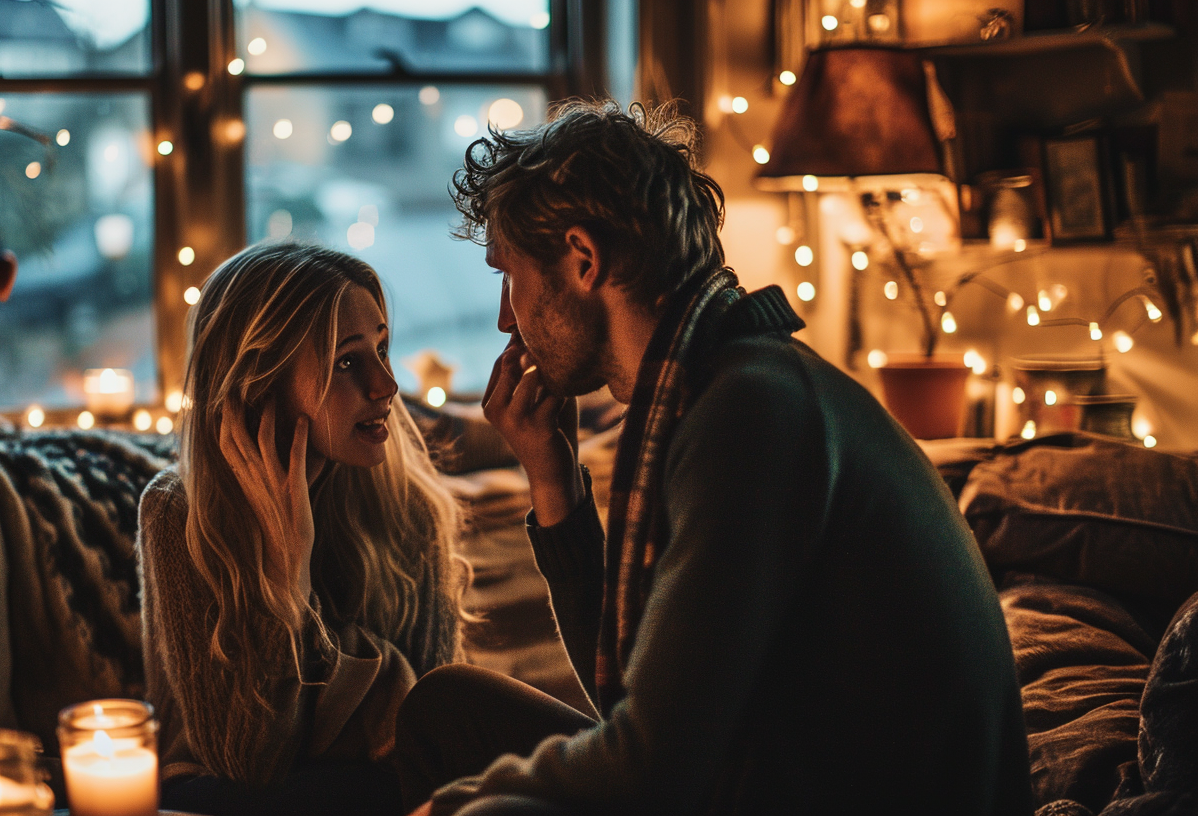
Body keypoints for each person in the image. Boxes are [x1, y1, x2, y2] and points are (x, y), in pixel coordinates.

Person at [394, 100, 1033, 815]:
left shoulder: (749, 414)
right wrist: (551, 473)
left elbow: (652, 766)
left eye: (508, 275)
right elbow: (632, 690)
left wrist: (456, 805)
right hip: (766, 775)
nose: (506, 318)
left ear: (582, 258)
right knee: (447, 710)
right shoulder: (722, 381)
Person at [136, 241, 464, 816]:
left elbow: (425, 743)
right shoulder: (177, 514)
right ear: (260, 381)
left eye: (382, 350)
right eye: (346, 361)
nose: (385, 386)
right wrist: (285, 580)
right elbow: (244, 761)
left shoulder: (413, 512)